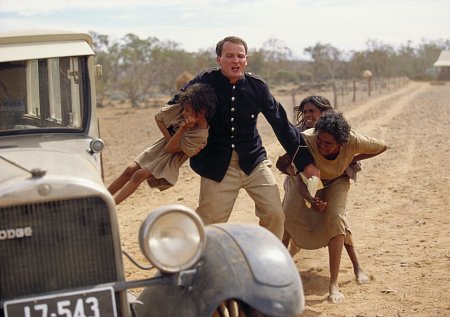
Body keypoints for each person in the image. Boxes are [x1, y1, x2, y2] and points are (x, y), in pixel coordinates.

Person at [165, 36, 319, 240]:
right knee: (209, 223)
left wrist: (306, 161)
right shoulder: (205, 81)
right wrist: (181, 135)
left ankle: (268, 261)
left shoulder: (258, 87)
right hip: (216, 165)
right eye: (229, 56)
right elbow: (172, 108)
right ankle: (194, 262)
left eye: (240, 56)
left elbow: (281, 124)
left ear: (246, 60)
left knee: (274, 214)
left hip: (254, 161)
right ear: (219, 59)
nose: (235, 61)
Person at [282, 110, 387, 303]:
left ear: (341, 141)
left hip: (337, 182)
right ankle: (279, 270)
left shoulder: (353, 141)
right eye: (320, 141)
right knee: (286, 214)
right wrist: (310, 199)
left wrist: (351, 158)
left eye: (328, 143)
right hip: (308, 182)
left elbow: (382, 146)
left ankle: (333, 283)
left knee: (336, 219)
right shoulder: (306, 140)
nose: (322, 146)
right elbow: (297, 179)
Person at [107, 83, 217, 205]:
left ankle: (109, 205)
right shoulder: (184, 110)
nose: (184, 113)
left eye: (187, 110)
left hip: (169, 160)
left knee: (138, 175)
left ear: (201, 113)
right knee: (129, 170)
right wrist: (169, 136)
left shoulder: (200, 136)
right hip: (160, 148)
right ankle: (102, 198)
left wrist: (182, 129)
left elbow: (171, 149)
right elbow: (159, 117)